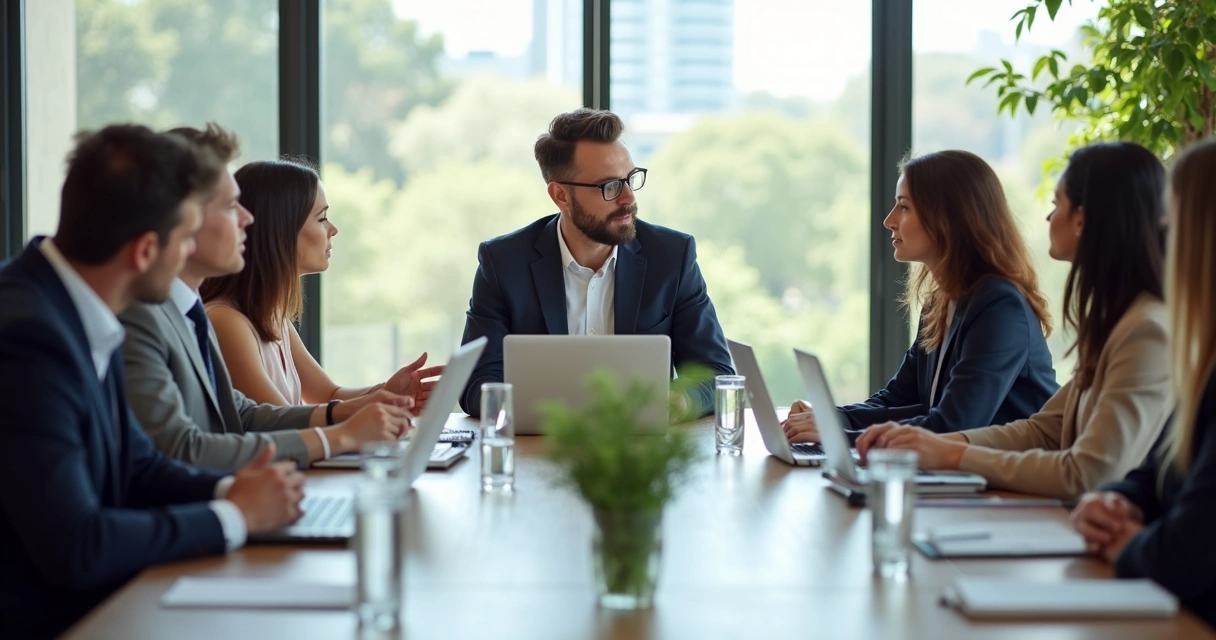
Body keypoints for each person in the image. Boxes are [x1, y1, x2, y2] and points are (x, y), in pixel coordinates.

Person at [0, 125, 304, 637]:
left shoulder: (74, 308)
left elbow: (139, 466)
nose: (188, 261)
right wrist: (235, 516)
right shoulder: (29, 338)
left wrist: (235, 489)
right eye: (185, 240)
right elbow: (77, 544)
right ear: (144, 252)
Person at [854, 142, 1171, 499]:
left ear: (1081, 221)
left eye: (1056, 204)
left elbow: (1086, 474)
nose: (1049, 217)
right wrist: (944, 447)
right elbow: (1043, 431)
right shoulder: (1118, 322)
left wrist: (953, 453)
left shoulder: (1145, 330)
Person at [120, 124, 413, 472]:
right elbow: (187, 449)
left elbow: (245, 414)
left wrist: (360, 407)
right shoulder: (199, 318)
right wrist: (341, 434)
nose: (247, 219)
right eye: (230, 207)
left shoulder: (192, 313)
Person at [457, 108, 733, 417]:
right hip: (539, 441)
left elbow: (717, 374)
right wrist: (546, 410)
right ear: (561, 195)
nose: (628, 198)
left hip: (641, 443)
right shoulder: (503, 263)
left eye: (630, 179)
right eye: (610, 186)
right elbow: (477, 383)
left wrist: (674, 402)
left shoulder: (671, 257)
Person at [783, 150, 1057, 441]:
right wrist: (832, 418)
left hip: (1016, 470)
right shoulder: (940, 302)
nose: (889, 220)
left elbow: (952, 426)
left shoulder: (1000, 307)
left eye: (904, 207)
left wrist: (839, 435)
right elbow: (895, 400)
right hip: (958, 466)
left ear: (949, 218)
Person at [1070, 138, 1216, 627]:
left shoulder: (1149, 329)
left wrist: (1119, 541)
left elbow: (1180, 558)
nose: (1162, 246)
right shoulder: (1207, 365)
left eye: (1170, 228)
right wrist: (1111, 502)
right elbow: (1154, 475)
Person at [201, 159, 442, 410]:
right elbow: (282, 421)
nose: (333, 229)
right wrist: (381, 401)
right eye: (322, 218)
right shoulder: (227, 321)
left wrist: (388, 392)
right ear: (280, 229)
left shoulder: (273, 317)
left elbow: (328, 394)